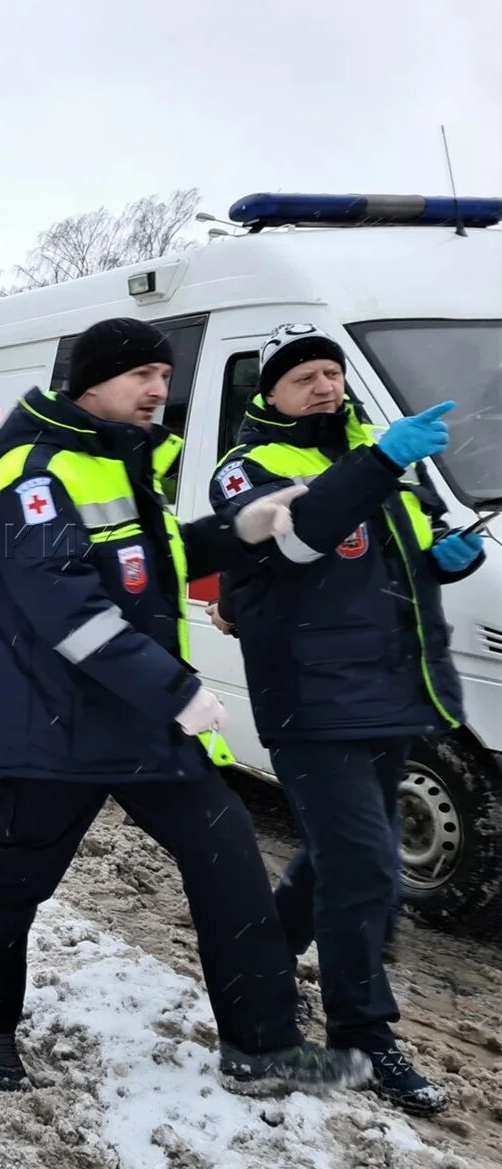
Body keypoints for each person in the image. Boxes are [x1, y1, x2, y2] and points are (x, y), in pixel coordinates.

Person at [0, 316, 368, 1097]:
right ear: (91, 382)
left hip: (137, 726)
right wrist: (175, 689)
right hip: (57, 726)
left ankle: (261, 1045)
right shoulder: (36, 475)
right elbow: (68, 612)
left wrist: (240, 530)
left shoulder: (115, 461)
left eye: (163, 376)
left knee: (228, 858)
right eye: (142, 375)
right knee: (17, 883)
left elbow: (150, 557)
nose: (159, 391)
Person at [208, 322, 480, 1114]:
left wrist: (435, 559)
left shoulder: (366, 455)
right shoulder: (249, 466)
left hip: (390, 690)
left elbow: (377, 565)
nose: (323, 387)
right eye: (303, 378)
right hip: (310, 695)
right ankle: (362, 1035)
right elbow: (292, 550)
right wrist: (381, 461)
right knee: (363, 864)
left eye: (331, 372)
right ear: (269, 395)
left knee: (336, 859)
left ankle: (259, 964)